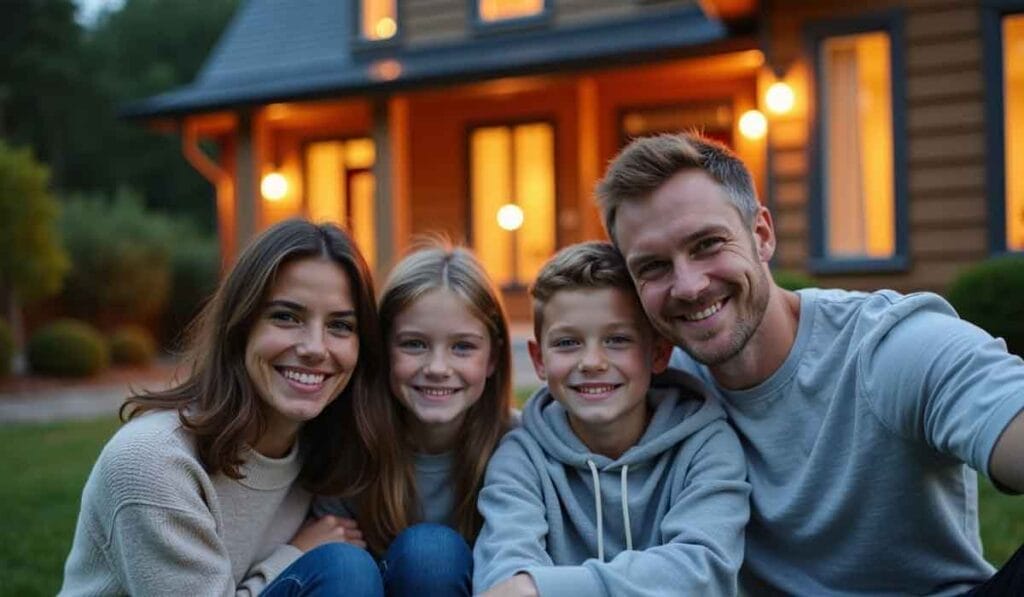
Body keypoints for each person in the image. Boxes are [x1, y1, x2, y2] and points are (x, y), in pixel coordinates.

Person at [596, 131, 1024, 595]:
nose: (689, 285)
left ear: (761, 235)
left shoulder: (886, 347)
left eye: (707, 245)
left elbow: (1000, 402)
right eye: (653, 267)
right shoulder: (660, 384)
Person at [59, 219, 388, 596]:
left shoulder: (326, 447)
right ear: (240, 325)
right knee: (344, 570)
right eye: (285, 317)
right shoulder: (153, 461)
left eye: (340, 325)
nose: (315, 347)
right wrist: (295, 554)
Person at [473, 241, 751, 597]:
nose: (592, 362)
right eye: (567, 343)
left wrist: (541, 588)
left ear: (659, 353)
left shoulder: (706, 446)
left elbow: (701, 571)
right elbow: (503, 572)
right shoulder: (521, 457)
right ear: (539, 359)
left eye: (618, 340)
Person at [314, 242, 513, 596]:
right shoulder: (348, 444)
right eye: (414, 344)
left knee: (432, 554)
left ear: (493, 358)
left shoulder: (519, 446)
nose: (437, 368)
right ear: (382, 348)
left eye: (463, 347)